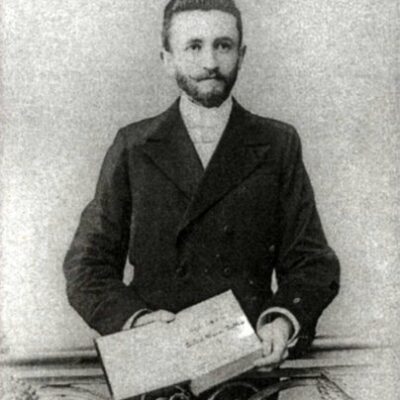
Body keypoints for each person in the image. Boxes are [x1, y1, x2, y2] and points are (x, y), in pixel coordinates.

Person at [63, 0, 340, 394]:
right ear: (167, 59)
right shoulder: (133, 146)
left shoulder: (277, 144)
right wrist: (138, 322)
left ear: (241, 55)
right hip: (160, 376)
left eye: (223, 45)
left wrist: (281, 321)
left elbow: (313, 263)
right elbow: (85, 266)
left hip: (247, 375)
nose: (210, 62)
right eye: (193, 46)